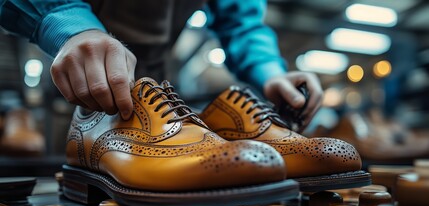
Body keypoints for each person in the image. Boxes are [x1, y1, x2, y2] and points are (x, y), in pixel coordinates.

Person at [0, 0, 322, 130]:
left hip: (157, 90)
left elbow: (240, 19)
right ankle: (82, 149)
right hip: (69, 80)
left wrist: (270, 71)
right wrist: (69, 24)